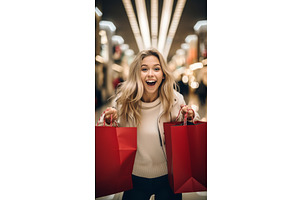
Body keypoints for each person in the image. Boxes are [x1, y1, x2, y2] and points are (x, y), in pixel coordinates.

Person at [99, 49, 201, 200]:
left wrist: (191, 116)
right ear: (136, 74)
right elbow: (108, 134)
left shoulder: (174, 100)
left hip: (169, 178)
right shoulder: (124, 101)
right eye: (144, 69)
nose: (151, 74)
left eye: (156, 68)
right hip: (134, 178)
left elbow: (189, 126)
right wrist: (108, 121)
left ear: (163, 74)